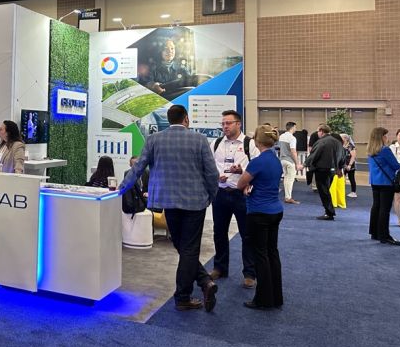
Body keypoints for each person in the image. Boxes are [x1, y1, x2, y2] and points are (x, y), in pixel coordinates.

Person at [120, 104, 219, 312]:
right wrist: (211, 195)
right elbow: (212, 174)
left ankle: (203, 283)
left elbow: (137, 167)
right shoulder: (199, 140)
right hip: (195, 203)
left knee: (181, 245)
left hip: (167, 202)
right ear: (186, 119)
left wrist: (122, 188)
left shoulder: (154, 139)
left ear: (168, 119)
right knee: (189, 248)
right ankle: (185, 295)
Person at [235, 125, 284, 310]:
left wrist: (246, 183)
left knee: (260, 256)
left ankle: (263, 299)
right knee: (272, 253)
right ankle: (276, 296)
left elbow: (241, 184)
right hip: (275, 210)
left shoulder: (257, 161)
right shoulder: (275, 160)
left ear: (256, 141)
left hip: (258, 212)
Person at [210, 110, 258, 288]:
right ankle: (220, 267)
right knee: (219, 232)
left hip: (242, 195)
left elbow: (257, 167)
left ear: (238, 124)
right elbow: (210, 166)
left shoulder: (249, 144)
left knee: (248, 234)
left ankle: (249, 273)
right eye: (223, 124)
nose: (225, 127)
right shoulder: (216, 144)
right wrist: (216, 177)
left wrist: (242, 174)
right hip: (221, 194)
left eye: (228, 123)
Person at [367, 127, 400, 246]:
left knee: (376, 206)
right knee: (385, 209)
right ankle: (384, 236)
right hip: (386, 182)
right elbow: (396, 166)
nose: (387, 138)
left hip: (375, 181)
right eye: (385, 135)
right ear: (381, 137)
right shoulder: (385, 150)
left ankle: (375, 233)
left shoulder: (370, 149)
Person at [305, 125, 340, 220]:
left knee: (324, 191)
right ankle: (329, 211)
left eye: (317, 131)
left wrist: (305, 164)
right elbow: (341, 154)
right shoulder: (336, 141)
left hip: (322, 169)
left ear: (321, 131)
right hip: (332, 170)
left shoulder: (321, 142)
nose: (317, 133)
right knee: (327, 190)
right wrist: (339, 168)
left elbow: (314, 154)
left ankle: (329, 213)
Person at [278, 122, 302, 205]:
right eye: (295, 127)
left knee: (286, 179)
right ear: (292, 127)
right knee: (290, 180)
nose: (296, 129)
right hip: (289, 161)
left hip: (282, 160)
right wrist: (297, 163)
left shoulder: (281, 136)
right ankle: (288, 197)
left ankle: (287, 196)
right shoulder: (292, 138)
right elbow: (293, 151)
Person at [342, 133, 358, 198]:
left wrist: (349, 165)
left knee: (351, 178)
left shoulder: (351, 146)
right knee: (342, 178)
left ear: (345, 138)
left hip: (350, 165)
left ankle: (353, 192)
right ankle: (341, 191)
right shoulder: (342, 145)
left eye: (342, 137)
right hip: (343, 165)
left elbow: (353, 156)